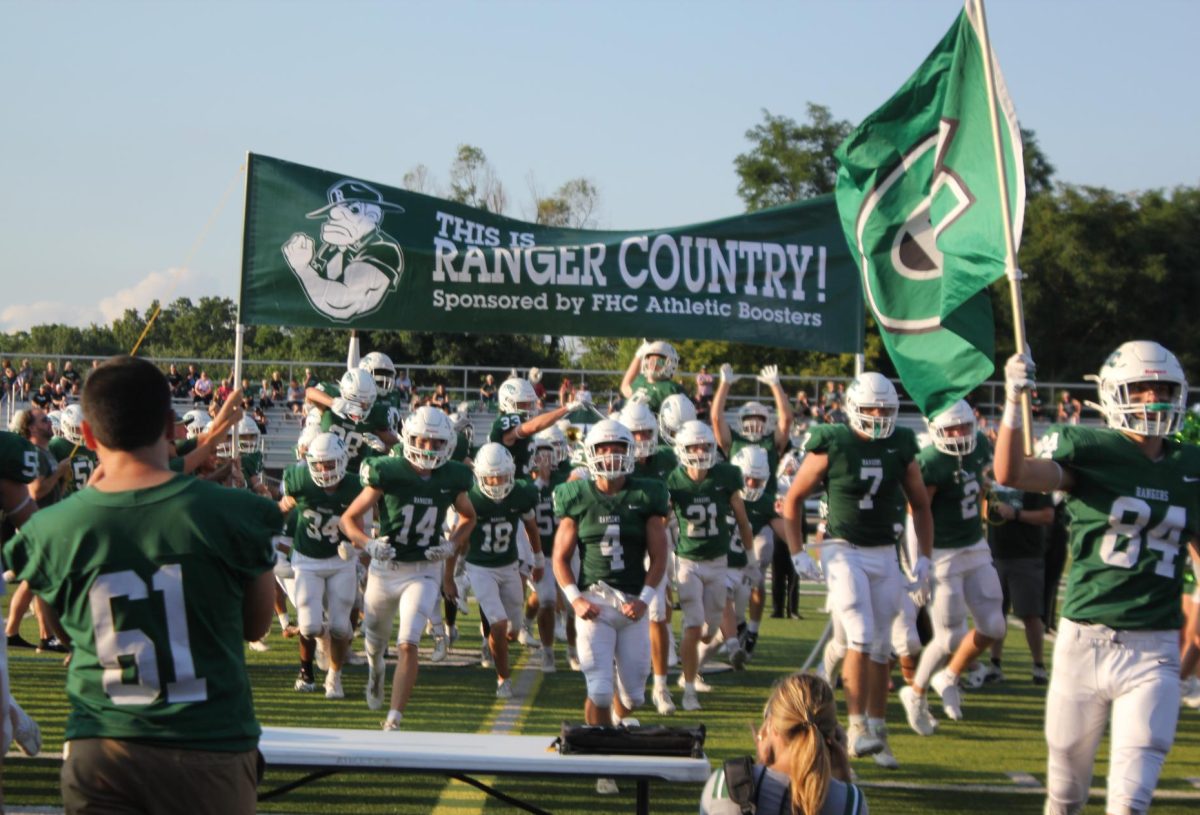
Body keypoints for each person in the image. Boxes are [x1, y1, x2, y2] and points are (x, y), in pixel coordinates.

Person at [3, 356, 281, 815]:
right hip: (210, 743)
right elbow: (256, 626)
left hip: (103, 747)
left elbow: (65, 632)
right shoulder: (233, 513)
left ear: (89, 436)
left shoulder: (52, 529)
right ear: (171, 426)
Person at [995, 340, 1200, 815]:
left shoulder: (1190, 466)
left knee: (1130, 802)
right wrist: (1011, 401)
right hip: (1083, 643)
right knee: (1065, 796)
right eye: (1142, 388)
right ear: (1112, 394)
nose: (1154, 399)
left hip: (1154, 650)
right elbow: (1014, 471)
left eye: (1163, 388)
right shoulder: (1090, 449)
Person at [782, 372, 933, 769]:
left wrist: (925, 558)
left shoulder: (900, 443)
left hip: (884, 550)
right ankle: (855, 726)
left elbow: (921, 502)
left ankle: (878, 732)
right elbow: (793, 499)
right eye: (871, 408)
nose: (879, 416)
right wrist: (799, 553)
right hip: (840, 547)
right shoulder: (833, 441)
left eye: (885, 409)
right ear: (853, 407)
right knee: (861, 634)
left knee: (882, 645)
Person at [340, 406, 476, 731]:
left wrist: (451, 544)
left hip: (423, 569)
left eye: (435, 442)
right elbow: (348, 519)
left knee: (408, 641)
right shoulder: (388, 471)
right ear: (408, 438)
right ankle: (375, 672)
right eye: (421, 440)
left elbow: (469, 516)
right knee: (375, 638)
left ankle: (394, 718)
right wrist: (368, 544)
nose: (428, 448)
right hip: (386, 568)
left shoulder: (452, 476)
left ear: (447, 444)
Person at [552, 420, 668, 796]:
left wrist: (646, 600)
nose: (611, 454)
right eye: (604, 448)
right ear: (591, 452)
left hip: (633, 604)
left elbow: (660, 556)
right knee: (599, 689)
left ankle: (615, 724)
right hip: (595, 605)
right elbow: (560, 557)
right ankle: (603, 762)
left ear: (629, 452)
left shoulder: (647, 494)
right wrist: (575, 598)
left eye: (618, 447)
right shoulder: (577, 495)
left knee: (633, 696)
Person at [900, 400, 1007, 737]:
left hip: (974, 545)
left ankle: (948, 676)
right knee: (948, 637)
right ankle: (915, 693)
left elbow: (979, 488)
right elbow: (915, 511)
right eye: (952, 429)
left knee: (995, 624)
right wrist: (919, 564)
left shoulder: (980, 447)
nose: (960, 434)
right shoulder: (930, 462)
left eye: (964, 427)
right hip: (943, 554)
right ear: (936, 431)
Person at [667, 420, 754, 712]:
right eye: (694, 447)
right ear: (682, 449)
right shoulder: (673, 481)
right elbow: (659, 521)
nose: (701, 451)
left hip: (718, 562)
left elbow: (742, 520)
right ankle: (689, 689)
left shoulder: (725, 476)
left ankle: (693, 666)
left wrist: (751, 560)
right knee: (693, 625)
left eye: (705, 446)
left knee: (710, 629)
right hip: (688, 561)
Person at [712, 363, 793, 657]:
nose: (756, 424)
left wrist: (776, 385)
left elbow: (786, 419)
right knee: (727, 582)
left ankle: (752, 631)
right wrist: (724, 385)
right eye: (750, 419)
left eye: (761, 419)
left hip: (763, 517)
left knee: (756, 574)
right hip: (732, 514)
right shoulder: (733, 442)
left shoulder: (773, 443)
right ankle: (739, 626)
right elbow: (715, 417)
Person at [700, 673, 867, 815]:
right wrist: (842, 779)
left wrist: (761, 762)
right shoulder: (850, 802)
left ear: (771, 725)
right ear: (833, 738)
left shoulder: (725, 785)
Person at [451, 443, 543, 697]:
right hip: (480, 568)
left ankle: (492, 643)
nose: (496, 481)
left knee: (512, 629)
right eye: (490, 476)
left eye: (501, 475)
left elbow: (532, 528)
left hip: (510, 566)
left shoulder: (521, 493)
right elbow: (460, 535)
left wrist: (538, 559)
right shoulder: (471, 496)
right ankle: (503, 678)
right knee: (499, 625)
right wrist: (456, 570)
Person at [279, 433, 360, 699]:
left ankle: (334, 677)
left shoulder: (355, 486)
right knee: (311, 626)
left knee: (339, 626)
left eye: (330, 464)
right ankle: (313, 658)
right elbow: (283, 507)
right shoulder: (300, 480)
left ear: (342, 461)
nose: (324, 471)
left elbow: (366, 524)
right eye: (320, 464)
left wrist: (356, 545)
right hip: (307, 559)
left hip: (340, 561)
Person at [985, 471, 1055, 684]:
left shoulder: (1033, 478)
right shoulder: (990, 475)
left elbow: (1047, 516)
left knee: (1030, 615)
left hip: (1025, 554)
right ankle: (995, 664)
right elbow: (984, 510)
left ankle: (1038, 665)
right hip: (995, 553)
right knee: (997, 613)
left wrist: (1016, 514)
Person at [619, 340, 684, 414]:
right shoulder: (640, 380)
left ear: (671, 363)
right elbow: (624, 388)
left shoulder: (672, 389)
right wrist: (639, 354)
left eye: (659, 361)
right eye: (651, 360)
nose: (653, 365)